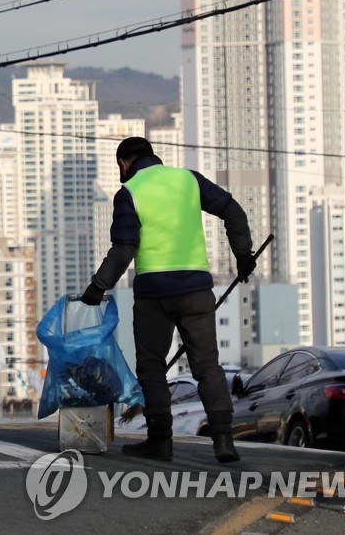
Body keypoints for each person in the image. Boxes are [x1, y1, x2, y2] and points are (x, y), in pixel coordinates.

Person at [82, 136, 255, 464]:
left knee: (152, 367)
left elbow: (124, 249)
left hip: (154, 293)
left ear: (124, 163)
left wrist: (97, 287)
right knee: (207, 365)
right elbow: (232, 210)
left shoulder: (129, 192)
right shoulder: (188, 180)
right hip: (196, 290)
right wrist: (243, 255)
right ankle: (223, 439)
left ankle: (160, 442)